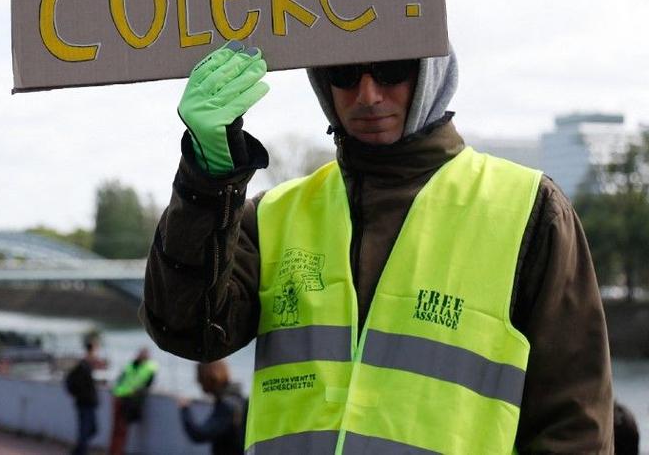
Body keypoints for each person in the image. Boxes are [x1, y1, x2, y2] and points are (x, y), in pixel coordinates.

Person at [141, 41, 614, 452]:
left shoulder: (530, 211)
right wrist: (207, 178)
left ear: (431, 68)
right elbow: (186, 329)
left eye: (391, 69)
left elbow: (575, 426)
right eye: (344, 73)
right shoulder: (272, 217)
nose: (367, 95)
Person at [179, 360, 247, 455]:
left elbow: (199, 434)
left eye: (199, 377)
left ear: (207, 378)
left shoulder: (226, 406)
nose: (197, 381)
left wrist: (184, 409)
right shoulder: (239, 400)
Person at [108, 347, 157, 455]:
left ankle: (116, 451)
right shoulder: (137, 366)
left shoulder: (144, 367)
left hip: (126, 398)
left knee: (120, 428)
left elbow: (145, 384)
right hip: (123, 398)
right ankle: (116, 451)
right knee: (119, 428)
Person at [65, 335, 102, 455]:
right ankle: (79, 451)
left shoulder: (86, 365)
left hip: (86, 402)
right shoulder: (83, 365)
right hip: (85, 403)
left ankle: (78, 450)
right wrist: (81, 394)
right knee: (86, 430)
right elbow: (75, 382)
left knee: (89, 430)